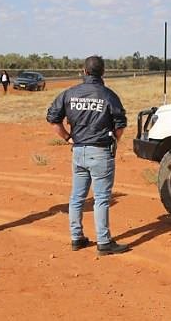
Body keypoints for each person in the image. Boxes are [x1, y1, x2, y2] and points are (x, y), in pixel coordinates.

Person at [46, 56, 129, 255]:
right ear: (103, 73)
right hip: (100, 151)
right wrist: (114, 140)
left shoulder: (69, 94)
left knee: (76, 197)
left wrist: (68, 138)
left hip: (78, 151)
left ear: (84, 71)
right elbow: (120, 124)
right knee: (101, 198)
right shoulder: (108, 95)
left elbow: (53, 119)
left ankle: (76, 238)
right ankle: (104, 242)